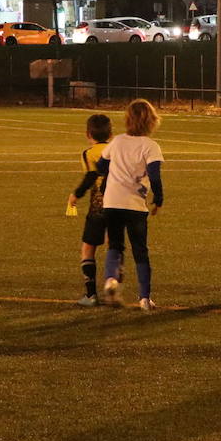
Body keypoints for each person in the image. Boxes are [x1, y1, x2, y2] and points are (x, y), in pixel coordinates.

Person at [94, 99, 164, 312]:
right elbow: (154, 175)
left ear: (128, 119)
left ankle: (111, 280)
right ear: (151, 121)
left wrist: (113, 174)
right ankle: (144, 298)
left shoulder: (117, 141)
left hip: (112, 202)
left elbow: (101, 165)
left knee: (115, 245)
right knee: (140, 251)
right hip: (135, 205)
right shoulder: (150, 146)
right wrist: (158, 198)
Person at [67, 113, 113, 308]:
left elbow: (91, 176)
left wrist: (75, 195)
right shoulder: (116, 150)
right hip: (119, 205)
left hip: (98, 206)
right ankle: (114, 288)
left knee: (88, 248)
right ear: (111, 133)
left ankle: (91, 294)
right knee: (114, 248)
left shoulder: (88, 153)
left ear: (88, 134)